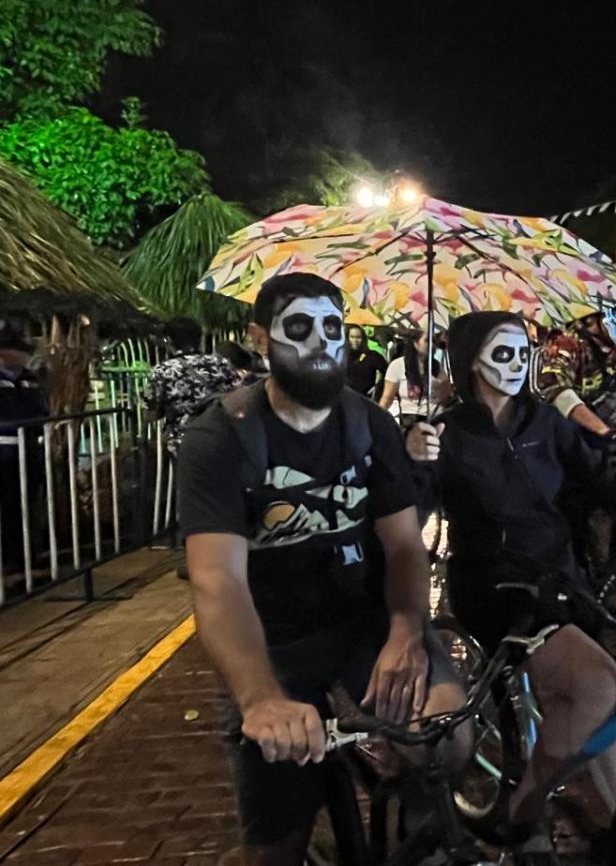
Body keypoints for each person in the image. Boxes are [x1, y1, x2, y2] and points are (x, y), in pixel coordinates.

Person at [405, 311, 616, 864]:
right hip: (496, 587)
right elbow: (409, 511)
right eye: (502, 353)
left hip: (559, 576)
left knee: (593, 702)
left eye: (523, 351)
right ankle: (526, 807)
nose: (517, 363)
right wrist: (414, 463)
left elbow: (606, 481)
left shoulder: (544, 423)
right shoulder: (448, 433)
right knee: (595, 683)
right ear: (471, 361)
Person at [178, 274, 465, 866]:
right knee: (277, 842)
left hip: (364, 622)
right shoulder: (219, 438)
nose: (321, 342)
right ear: (260, 338)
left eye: (332, 327)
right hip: (273, 640)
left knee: (445, 739)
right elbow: (218, 580)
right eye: (299, 327)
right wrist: (260, 699)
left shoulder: (369, 425)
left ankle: (417, 835)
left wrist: (407, 632)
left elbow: (407, 546)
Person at [144, 317, 241, 457]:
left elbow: (152, 414)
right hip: (223, 436)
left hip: (185, 442)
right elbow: (239, 396)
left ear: (169, 340)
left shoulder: (163, 370)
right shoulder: (221, 363)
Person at [536, 303, 616, 437]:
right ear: (591, 321)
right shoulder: (567, 344)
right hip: (562, 434)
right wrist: (603, 430)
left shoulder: (612, 350)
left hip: (596, 432)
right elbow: (555, 389)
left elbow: (613, 398)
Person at [0, 318, 48, 570]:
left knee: (27, 503)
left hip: (28, 450)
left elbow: (40, 409)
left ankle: (27, 554)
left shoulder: (29, 378)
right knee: (8, 506)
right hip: (4, 452)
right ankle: (12, 558)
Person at [378, 331, 449, 423]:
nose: (432, 345)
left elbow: (446, 396)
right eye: (427, 340)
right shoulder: (397, 365)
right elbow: (387, 398)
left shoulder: (437, 366)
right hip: (411, 419)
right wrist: (377, 418)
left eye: (434, 341)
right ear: (415, 343)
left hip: (436, 417)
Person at [345, 325, 388, 398]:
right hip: (344, 399)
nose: (355, 341)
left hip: (366, 399)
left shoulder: (372, 355)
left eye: (358, 337)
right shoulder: (341, 355)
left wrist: (377, 387)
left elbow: (388, 372)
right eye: (352, 337)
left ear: (363, 338)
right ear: (347, 338)